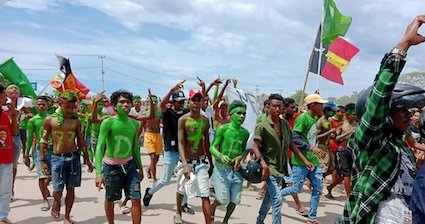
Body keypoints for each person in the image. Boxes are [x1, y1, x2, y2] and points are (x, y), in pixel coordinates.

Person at [340, 15, 425, 224]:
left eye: (410, 110)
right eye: (401, 109)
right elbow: (379, 97)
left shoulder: (402, 147)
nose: (408, 114)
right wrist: (403, 45)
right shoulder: (372, 143)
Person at [254, 94, 313, 224]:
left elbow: (291, 144)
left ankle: (259, 220)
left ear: (282, 108)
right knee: (277, 200)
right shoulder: (262, 126)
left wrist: (304, 160)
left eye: (279, 106)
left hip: (281, 167)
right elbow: (255, 147)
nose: (276, 109)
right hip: (269, 168)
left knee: (269, 199)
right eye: (274, 106)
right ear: (268, 107)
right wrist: (263, 164)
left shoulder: (285, 125)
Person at [95, 89, 150, 224]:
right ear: (114, 106)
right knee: (110, 199)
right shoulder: (108, 123)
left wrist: (140, 167)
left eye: (128, 102)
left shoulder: (134, 124)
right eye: (121, 102)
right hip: (111, 168)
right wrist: (98, 173)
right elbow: (100, 147)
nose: (125, 105)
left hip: (130, 166)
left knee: (136, 198)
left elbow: (135, 148)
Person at [40, 90, 93, 224]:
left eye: (72, 107)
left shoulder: (76, 120)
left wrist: (87, 159)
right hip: (57, 158)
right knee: (57, 190)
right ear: (60, 103)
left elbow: (81, 141)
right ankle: (56, 202)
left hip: (74, 158)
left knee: (71, 188)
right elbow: (44, 141)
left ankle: (67, 217)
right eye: (67, 106)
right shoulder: (50, 120)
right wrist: (42, 161)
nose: (70, 110)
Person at [143, 81, 195, 215]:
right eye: (178, 101)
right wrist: (172, 90)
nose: (180, 104)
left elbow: (197, 104)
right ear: (172, 102)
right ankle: (150, 192)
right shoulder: (167, 112)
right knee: (165, 179)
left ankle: (184, 204)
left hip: (184, 151)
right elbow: (161, 105)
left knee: (187, 177)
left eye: (182, 101)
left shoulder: (186, 112)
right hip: (171, 151)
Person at [280, 93, 327, 224]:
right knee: (296, 189)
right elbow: (294, 138)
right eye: (320, 104)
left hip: (313, 161)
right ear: (312, 105)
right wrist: (311, 148)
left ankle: (311, 219)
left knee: (318, 188)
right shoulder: (303, 118)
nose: (322, 106)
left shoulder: (314, 119)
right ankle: (274, 196)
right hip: (300, 161)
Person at [174, 88, 213, 224]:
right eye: (193, 100)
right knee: (181, 190)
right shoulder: (183, 120)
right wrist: (185, 165)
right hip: (186, 161)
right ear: (188, 102)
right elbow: (180, 143)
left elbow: (207, 143)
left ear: (202, 102)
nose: (196, 103)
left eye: (199, 100)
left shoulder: (205, 120)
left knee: (205, 194)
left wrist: (211, 163)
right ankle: (178, 213)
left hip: (201, 162)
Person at [210, 100, 250, 224]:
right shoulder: (223, 129)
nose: (242, 116)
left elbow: (244, 150)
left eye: (244, 114)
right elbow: (212, 147)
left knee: (235, 199)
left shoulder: (245, 133)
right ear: (231, 114)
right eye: (239, 113)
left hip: (237, 170)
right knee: (223, 199)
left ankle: (225, 220)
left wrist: (241, 157)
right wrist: (220, 156)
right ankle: (212, 208)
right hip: (222, 168)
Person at [23, 96, 52, 211]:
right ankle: (45, 200)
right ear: (36, 106)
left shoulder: (52, 118)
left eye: (43, 104)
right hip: (38, 151)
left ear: (47, 105)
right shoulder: (32, 120)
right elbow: (29, 138)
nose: (41, 106)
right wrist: (26, 155)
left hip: (53, 150)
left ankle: (45, 187)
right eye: (38, 104)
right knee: (42, 176)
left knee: (52, 175)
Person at [326, 103, 357, 199]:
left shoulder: (357, 124)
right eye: (354, 114)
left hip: (352, 151)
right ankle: (349, 198)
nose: (355, 116)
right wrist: (348, 133)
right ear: (348, 114)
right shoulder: (342, 124)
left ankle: (330, 187)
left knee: (346, 175)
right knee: (346, 175)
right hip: (342, 151)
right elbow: (336, 138)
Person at [0, 84, 17, 224]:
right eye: (4, 94)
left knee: (5, 190)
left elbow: (14, 132)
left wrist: (13, 115)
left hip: (6, 158)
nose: (6, 97)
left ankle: (2, 216)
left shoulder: (5, 114)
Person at [5, 84, 23, 200]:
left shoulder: (21, 107)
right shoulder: (2, 106)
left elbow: (13, 127)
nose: (14, 90)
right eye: (11, 88)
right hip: (3, 137)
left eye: (16, 88)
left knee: (13, 165)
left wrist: (14, 113)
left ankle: (10, 187)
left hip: (14, 137)